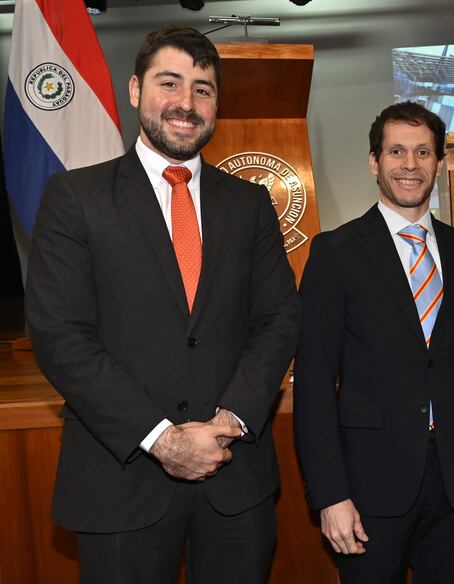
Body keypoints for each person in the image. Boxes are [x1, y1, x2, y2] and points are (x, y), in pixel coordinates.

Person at [25, 25, 301, 584]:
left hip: (235, 478)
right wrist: (163, 438)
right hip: (121, 481)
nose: (186, 103)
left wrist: (228, 421)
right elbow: (60, 336)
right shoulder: (75, 197)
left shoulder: (250, 203)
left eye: (203, 88)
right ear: (135, 90)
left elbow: (279, 319)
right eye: (169, 83)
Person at [294, 101, 454, 583]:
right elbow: (314, 385)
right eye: (396, 151)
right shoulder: (335, 253)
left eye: (423, 152)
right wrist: (331, 496)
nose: (410, 165)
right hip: (369, 486)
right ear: (374, 162)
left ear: (439, 162)